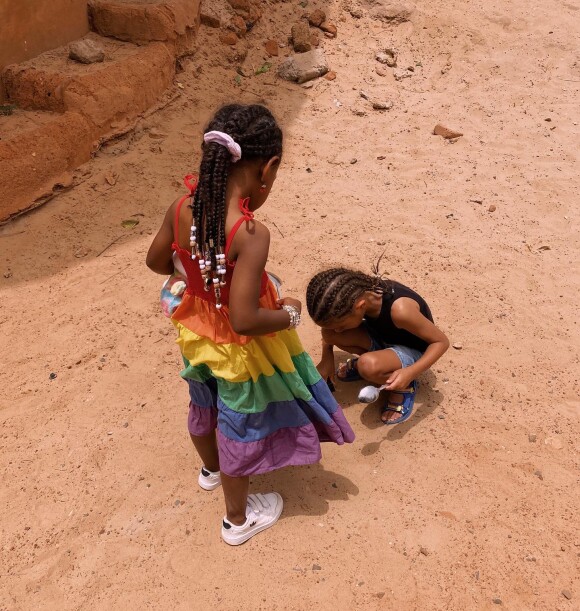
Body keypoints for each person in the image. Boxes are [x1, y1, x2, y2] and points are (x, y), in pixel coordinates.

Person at [146, 104, 354, 546]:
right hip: (238, 347)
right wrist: (291, 312)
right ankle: (237, 520)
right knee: (236, 419)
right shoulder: (248, 232)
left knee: (204, 400)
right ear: (269, 168)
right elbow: (244, 317)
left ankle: (210, 471)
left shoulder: (183, 206)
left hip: (194, 331)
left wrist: (194, 278)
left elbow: (155, 260)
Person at [306, 264, 449, 425]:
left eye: (341, 325)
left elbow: (441, 342)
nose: (339, 330)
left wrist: (410, 372)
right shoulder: (361, 293)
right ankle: (379, 363)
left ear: (360, 307)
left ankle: (404, 385)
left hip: (414, 349)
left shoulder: (401, 311)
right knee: (330, 334)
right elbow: (329, 330)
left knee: (368, 366)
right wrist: (327, 356)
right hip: (384, 336)